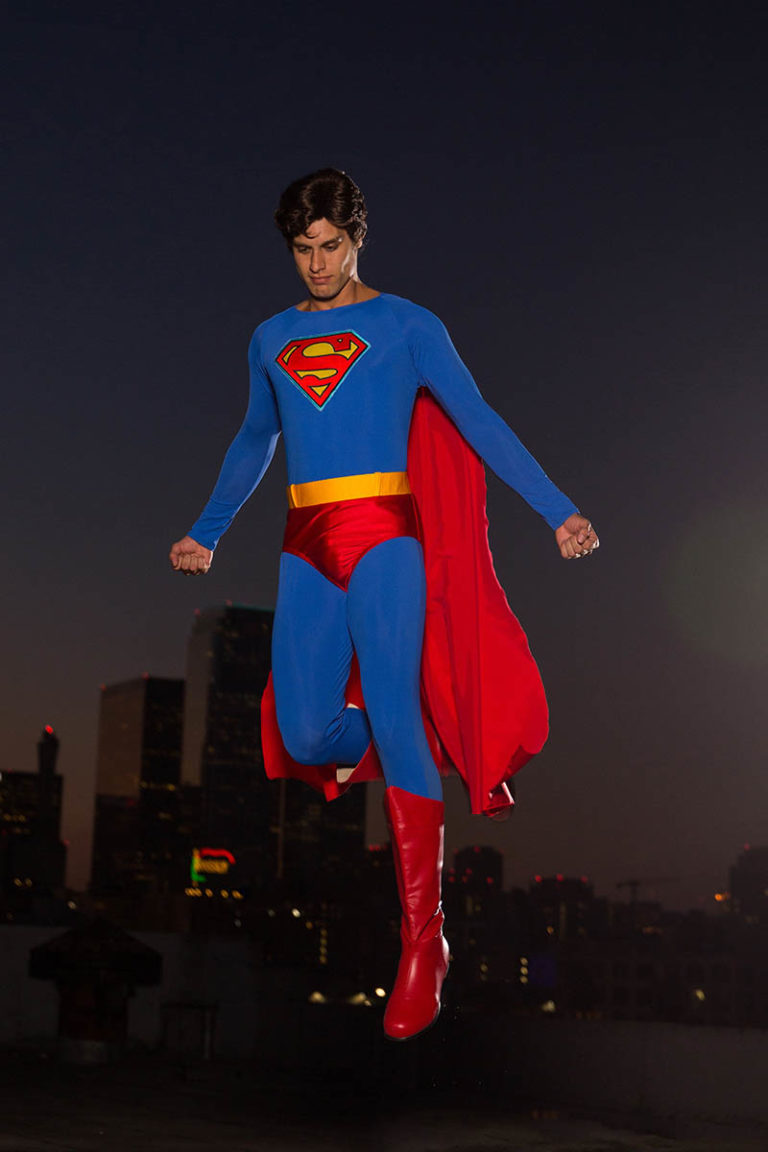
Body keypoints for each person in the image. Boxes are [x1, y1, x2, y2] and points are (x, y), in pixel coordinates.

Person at [170, 168, 598, 1041]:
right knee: (305, 734)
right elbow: (255, 437)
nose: (318, 263)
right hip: (305, 542)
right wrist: (207, 529)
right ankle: (397, 737)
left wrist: (558, 510)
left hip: (386, 537)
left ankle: (422, 943)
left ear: (357, 238)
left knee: (397, 710)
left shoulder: (408, 325)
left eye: (331, 245)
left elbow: (477, 418)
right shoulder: (269, 338)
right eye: (303, 248)